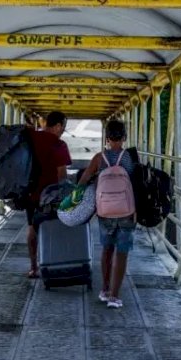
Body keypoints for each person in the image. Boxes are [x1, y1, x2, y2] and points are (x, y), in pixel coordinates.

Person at [78, 120, 135, 309]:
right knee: (122, 253)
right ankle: (115, 296)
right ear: (124, 137)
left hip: (105, 212)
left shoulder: (99, 158)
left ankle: (104, 288)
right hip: (126, 211)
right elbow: (136, 184)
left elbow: (84, 179)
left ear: (107, 138)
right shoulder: (128, 158)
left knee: (107, 249)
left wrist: (76, 199)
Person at [25, 111, 71, 278]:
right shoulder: (59, 144)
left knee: (32, 228)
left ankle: (33, 267)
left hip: (30, 192)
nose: (63, 131)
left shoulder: (31, 138)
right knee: (55, 228)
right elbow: (62, 175)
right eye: (63, 127)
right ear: (57, 126)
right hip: (51, 196)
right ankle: (54, 263)